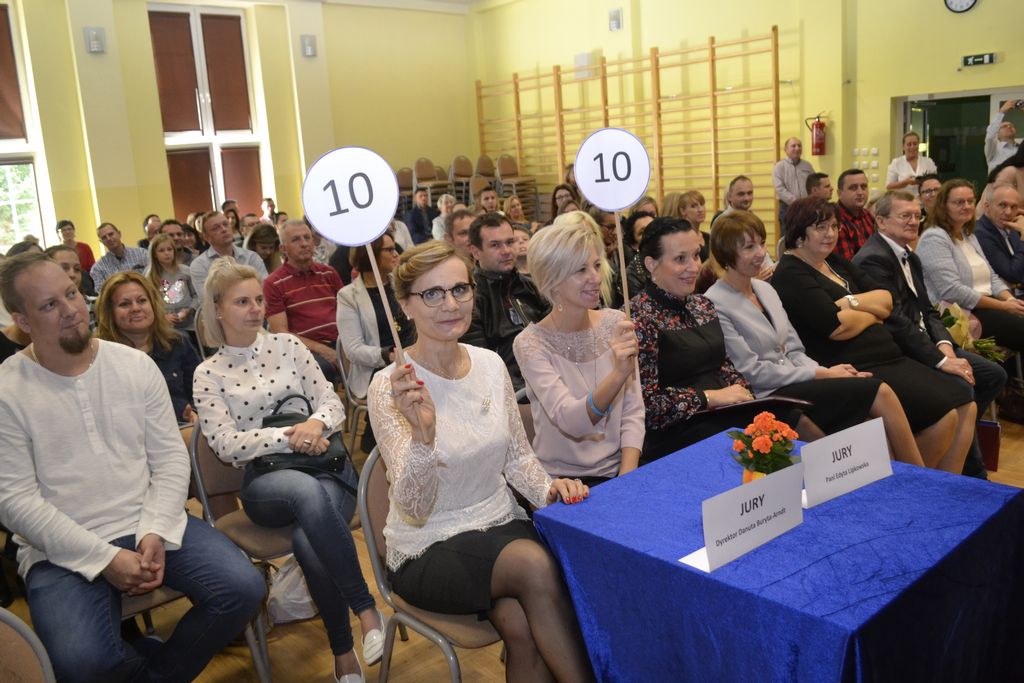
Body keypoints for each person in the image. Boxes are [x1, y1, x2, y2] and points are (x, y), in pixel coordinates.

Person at [0, 252, 264, 682]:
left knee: (243, 589)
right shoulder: (7, 390)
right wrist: (105, 558)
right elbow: (15, 502)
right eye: (49, 305)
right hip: (59, 549)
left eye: (71, 293)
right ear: (22, 321)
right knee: (81, 662)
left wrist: (155, 529)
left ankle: (148, 668)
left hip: (149, 522)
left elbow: (170, 457)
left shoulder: (133, 365)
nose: (70, 310)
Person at [366, 241, 594, 683]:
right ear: (405, 305)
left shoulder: (489, 364)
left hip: (498, 523)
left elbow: (517, 458)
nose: (450, 304)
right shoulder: (390, 387)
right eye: (432, 294)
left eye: (459, 289)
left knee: (523, 629)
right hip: (428, 544)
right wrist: (423, 437)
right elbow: (414, 507)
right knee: (534, 566)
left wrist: (549, 489)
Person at [193, 258, 383, 683]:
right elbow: (225, 444)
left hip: (327, 465)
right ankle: (367, 609)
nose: (255, 309)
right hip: (267, 483)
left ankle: (343, 653)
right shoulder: (208, 373)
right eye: (242, 302)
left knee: (307, 539)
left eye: (258, 300)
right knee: (304, 492)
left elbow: (332, 402)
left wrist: (316, 424)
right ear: (218, 309)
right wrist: (289, 436)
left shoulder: (289, 346)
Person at [706, 211, 928, 465]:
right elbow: (752, 372)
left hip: (797, 380)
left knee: (870, 416)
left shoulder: (765, 288)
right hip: (769, 391)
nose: (760, 253)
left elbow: (794, 349)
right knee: (879, 391)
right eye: (749, 247)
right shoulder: (716, 301)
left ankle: (901, 478)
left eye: (761, 243)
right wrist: (823, 374)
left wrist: (827, 372)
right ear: (726, 254)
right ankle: (919, 475)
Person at [772, 196, 976, 472]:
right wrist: (873, 311)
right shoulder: (791, 272)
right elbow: (837, 328)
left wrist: (851, 303)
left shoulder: (834, 262)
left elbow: (887, 299)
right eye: (821, 227)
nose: (830, 233)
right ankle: (916, 485)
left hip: (890, 356)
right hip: (856, 362)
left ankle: (941, 487)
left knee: (966, 404)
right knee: (945, 415)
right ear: (798, 233)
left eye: (834, 226)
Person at [631, 217, 819, 464]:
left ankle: (831, 480)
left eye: (696, 255)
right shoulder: (636, 318)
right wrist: (710, 397)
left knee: (789, 416)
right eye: (680, 259)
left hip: (724, 411)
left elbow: (726, 367)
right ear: (651, 264)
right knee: (761, 432)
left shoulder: (702, 305)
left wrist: (745, 397)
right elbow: (648, 407)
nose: (694, 267)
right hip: (677, 429)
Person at [853, 190, 1007, 479]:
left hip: (928, 344)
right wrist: (941, 360)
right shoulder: (873, 259)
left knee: (993, 375)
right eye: (905, 216)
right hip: (903, 350)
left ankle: (959, 455)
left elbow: (928, 311)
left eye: (917, 215)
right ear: (881, 221)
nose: (914, 222)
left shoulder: (910, 256)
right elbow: (896, 322)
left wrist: (945, 346)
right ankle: (971, 473)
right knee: (963, 387)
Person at [513, 214, 644, 484]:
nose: (595, 278)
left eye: (596, 265)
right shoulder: (531, 343)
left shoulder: (616, 322)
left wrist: (627, 479)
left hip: (619, 471)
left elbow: (633, 411)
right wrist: (618, 374)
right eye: (581, 270)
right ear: (552, 280)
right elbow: (572, 421)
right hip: (563, 482)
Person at [916, 180, 1024, 354]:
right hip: (962, 314)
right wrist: (1003, 306)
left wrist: (1010, 300)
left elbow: (991, 276)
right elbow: (952, 291)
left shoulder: (968, 235)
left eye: (970, 201)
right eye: (959, 202)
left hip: (988, 306)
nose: (966, 206)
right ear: (943, 206)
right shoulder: (934, 238)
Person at [336, 232, 415, 452]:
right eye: (389, 250)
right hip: (377, 367)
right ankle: (381, 444)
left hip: (411, 356)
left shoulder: (402, 286)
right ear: (369, 255)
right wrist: (388, 354)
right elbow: (353, 350)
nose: (396, 254)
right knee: (401, 382)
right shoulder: (348, 296)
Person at [95, 271, 200, 425]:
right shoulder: (101, 357)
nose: (135, 308)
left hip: (185, 427)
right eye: (125, 304)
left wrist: (195, 414)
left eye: (142, 300)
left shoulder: (178, 342)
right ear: (109, 313)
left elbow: (201, 392)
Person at [461, 212, 550, 391]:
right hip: (510, 391)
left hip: (549, 377)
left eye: (510, 242)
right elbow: (480, 367)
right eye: (495, 245)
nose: (506, 251)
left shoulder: (530, 287)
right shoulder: (470, 301)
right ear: (475, 251)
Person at [264, 220, 344, 383]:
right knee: (322, 368)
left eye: (307, 238)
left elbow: (347, 314)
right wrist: (321, 349)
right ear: (283, 249)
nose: (304, 243)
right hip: (304, 350)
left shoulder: (329, 273)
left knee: (370, 356)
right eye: (296, 239)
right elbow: (281, 333)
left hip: (340, 342)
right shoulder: (273, 283)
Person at [190, 210, 268, 301]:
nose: (224, 229)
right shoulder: (199, 265)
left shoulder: (251, 257)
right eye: (216, 228)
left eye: (226, 224)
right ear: (206, 237)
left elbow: (265, 289)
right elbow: (208, 299)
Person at [975, 184, 1024, 289]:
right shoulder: (980, 233)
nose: (1008, 212)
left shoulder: (1012, 225)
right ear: (987, 207)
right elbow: (1013, 275)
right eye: (1002, 205)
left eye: (1014, 207)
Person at [147, 234, 197, 337]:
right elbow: (151, 302)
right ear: (154, 254)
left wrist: (189, 309)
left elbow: (196, 295)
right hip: (167, 326)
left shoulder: (185, 270)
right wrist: (163, 316)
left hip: (191, 323)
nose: (167, 253)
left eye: (169, 249)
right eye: (161, 250)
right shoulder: (150, 276)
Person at [91, 222, 149, 293]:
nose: (108, 238)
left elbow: (154, 277)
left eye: (111, 234)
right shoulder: (98, 269)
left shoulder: (143, 254)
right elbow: (102, 293)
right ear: (101, 242)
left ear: (119, 234)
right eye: (104, 237)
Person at [834, 168, 876, 260]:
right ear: (839, 193)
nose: (860, 192)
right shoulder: (834, 220)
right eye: (853, 188)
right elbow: (847, 264)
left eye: (864, 187)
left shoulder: (867, 215)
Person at [772, 137, 815, 223]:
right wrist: (796, 202)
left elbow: (814, 184)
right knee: (788, 231)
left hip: (806, 207)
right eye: (793, 146)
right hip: (787, 208)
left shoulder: (807, 166)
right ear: (786, 149)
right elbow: (779, 189)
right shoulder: (779, 167)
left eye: (799, 145)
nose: (797, 148)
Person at [886, 131, 937, 195]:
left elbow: (935, 182)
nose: (912, 147)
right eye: (909, 144)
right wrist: (906, 182)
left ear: (918, 145)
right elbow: (889, 186)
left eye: (915, 144)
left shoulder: (928, 162)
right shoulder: (896, 163)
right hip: (903, 199)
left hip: (925, 198)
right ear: (903, 147)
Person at [985, 98, 1021, 172]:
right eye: (1004, 126)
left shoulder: (1021, 149)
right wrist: (1002, 111)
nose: (1009, 127)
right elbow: (990, 136)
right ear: (997, 134)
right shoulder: (994, 149)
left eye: (1012, 126)